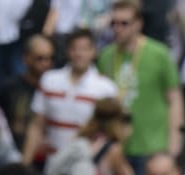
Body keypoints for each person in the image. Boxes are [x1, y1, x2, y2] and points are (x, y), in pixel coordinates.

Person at [101, 0, 183, 158]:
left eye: (124, 23)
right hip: (117, 146)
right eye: (113, 23)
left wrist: (175, 142)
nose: (117, 28)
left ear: (138, 24)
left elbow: (175, 99)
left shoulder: (159, 53)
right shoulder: (106, 55)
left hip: (153, 146)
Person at [30, 27, 120, 162]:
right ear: (67, 51)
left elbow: (113, 132)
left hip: (88, 163)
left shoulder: (106, 88)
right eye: (74, 48)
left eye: (84, 49)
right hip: (52, 162)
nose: (79, 54)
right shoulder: (49, 80)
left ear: (94, 51)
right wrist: (26, 162)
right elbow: (36, 126)